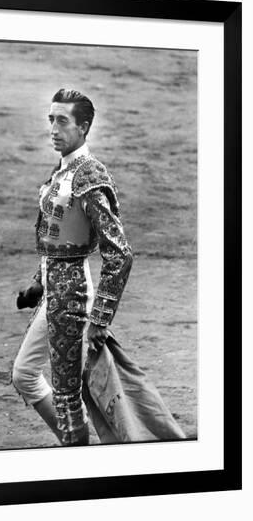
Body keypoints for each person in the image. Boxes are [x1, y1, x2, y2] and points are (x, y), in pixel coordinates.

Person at [12, 88, 183, 446]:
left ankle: (79, 460)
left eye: (62, 121)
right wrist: (38, 282)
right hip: (54, 292)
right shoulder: (63, 170)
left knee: (66, 393)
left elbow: (120, 253)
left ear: (84, 126)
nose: (53, 129)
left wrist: (99, 320)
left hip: (73, 296)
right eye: (51, 120)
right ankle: (78, 447)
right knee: (27, 374)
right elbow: (53, 235)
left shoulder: (89, 175)